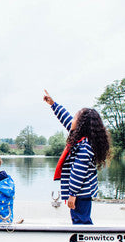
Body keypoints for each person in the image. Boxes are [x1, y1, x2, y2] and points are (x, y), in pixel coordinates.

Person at [43, 90, 110, 225]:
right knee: (80, 218)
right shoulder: (81, 137)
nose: (72, 120)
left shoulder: (84, 147)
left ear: (80, 125)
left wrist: (72, 194)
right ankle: (84, 241)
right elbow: (66, 118)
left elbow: (78, 173)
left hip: (80, 193)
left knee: (81, 220)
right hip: (82, 192)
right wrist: (53, 104)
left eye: (75, 119)